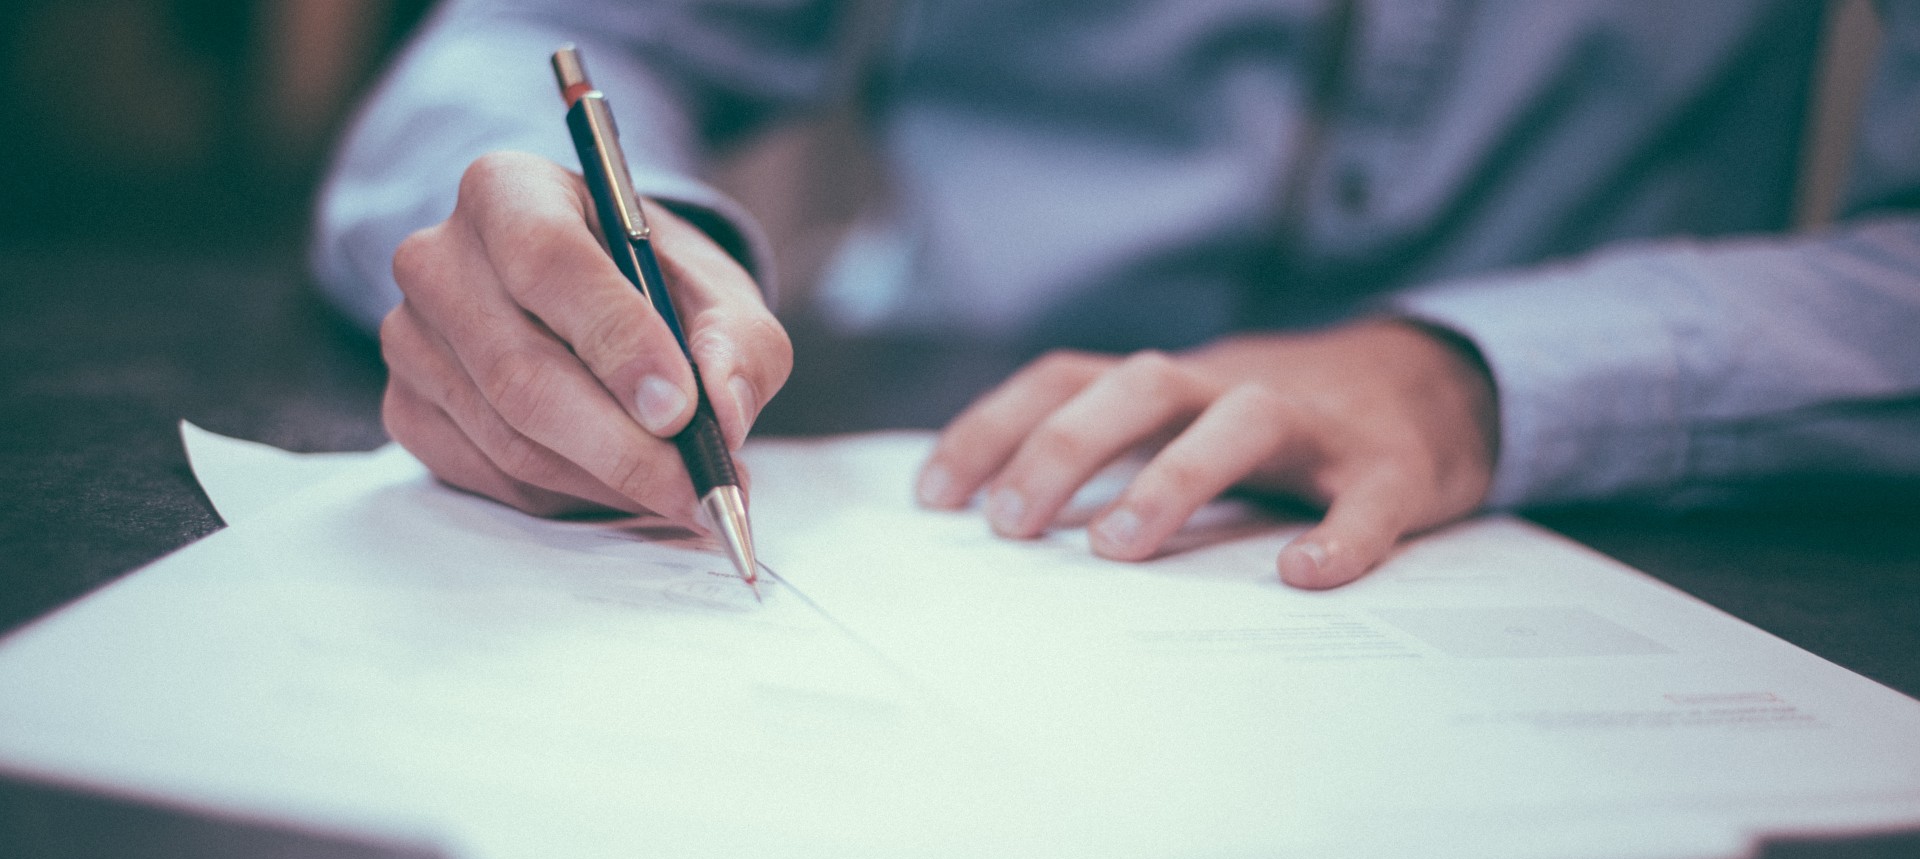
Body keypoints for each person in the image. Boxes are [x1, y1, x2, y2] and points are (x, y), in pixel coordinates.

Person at [312, 0, 1920, 588]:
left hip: (1607, 516)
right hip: (940, 460)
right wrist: (583, 248)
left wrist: (1473, 374)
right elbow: (544, 38)